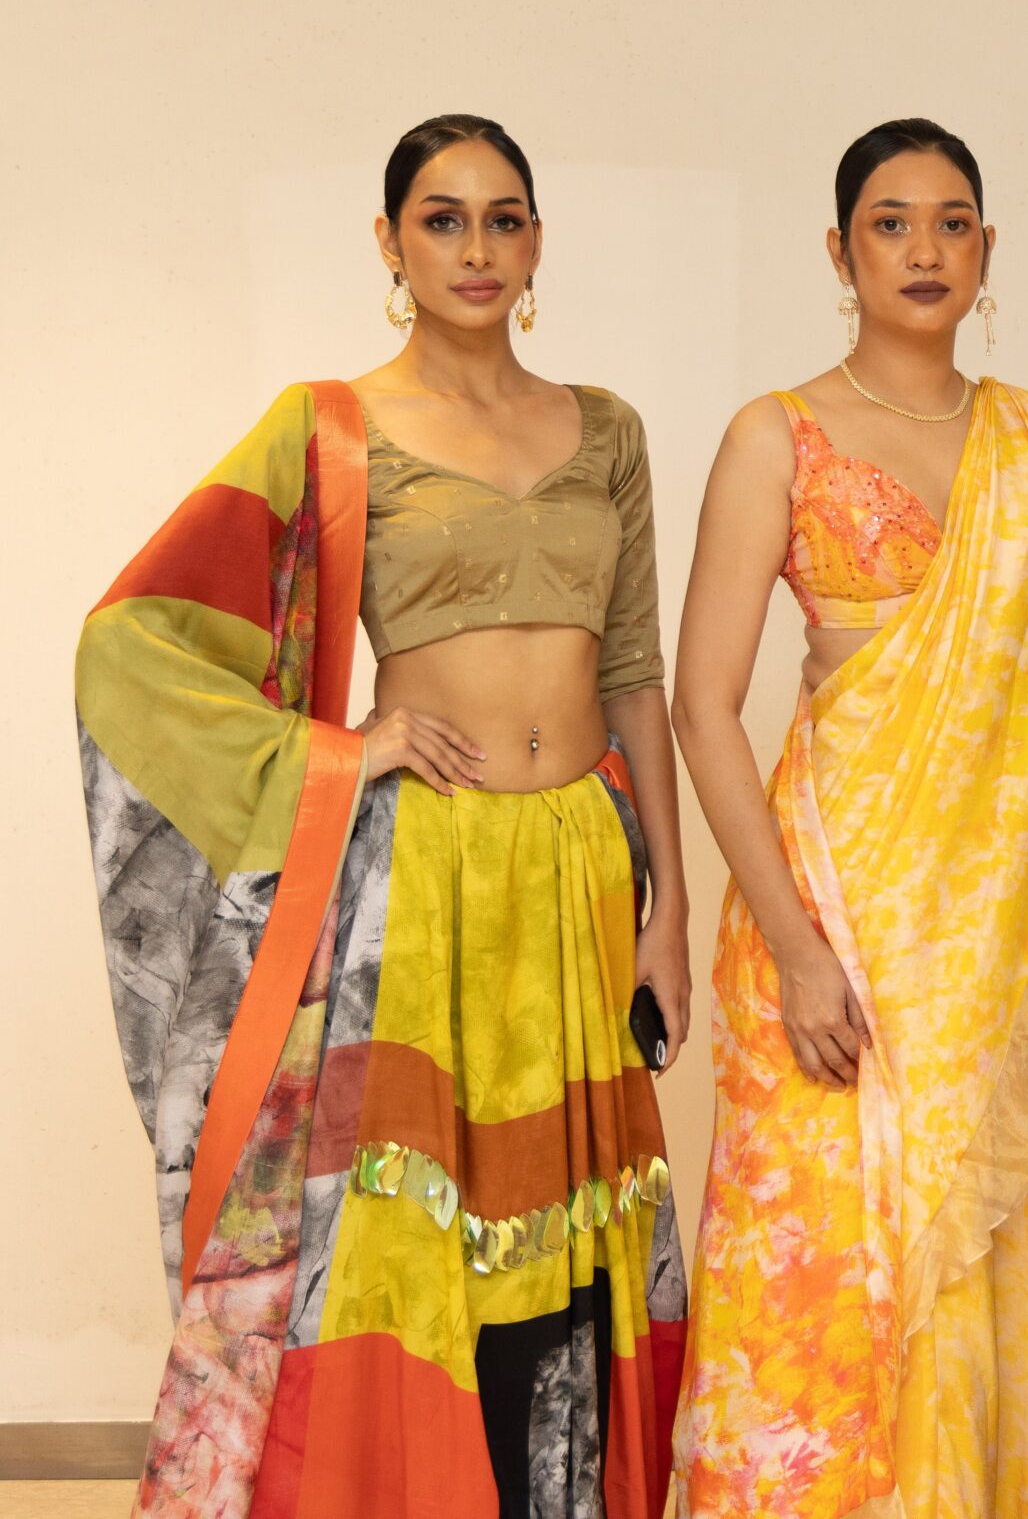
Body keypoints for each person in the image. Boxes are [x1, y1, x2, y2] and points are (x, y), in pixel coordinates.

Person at [78, 113, 691, 1518]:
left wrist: (669, 905)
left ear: (536, 242)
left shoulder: (607, 430)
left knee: (564, 1231)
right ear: (389, 242)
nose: (476, 249)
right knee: (417, 1232)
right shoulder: (332, 427)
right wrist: (340, 750)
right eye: (442, 218)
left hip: (577, 868)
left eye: (503, 218)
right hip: (422, 874)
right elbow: (132, 641)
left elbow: (635, 671)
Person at [669, 119, 1028, 1518]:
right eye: (890, 222)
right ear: (840, 249)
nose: (924, 250)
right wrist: (800, 950)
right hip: (834, 916)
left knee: (983, 1247)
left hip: (987, 936)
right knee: (822, 1255)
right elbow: (702, 706)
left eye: (951, 222)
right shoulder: (778, 433)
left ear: (987, 249)